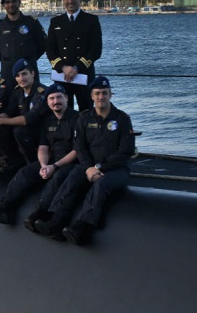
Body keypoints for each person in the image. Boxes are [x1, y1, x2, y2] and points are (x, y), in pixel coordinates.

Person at [33, 76, 135, 245]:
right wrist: (89, 168)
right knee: (72, 177)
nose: (101, 97)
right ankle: (56, 220)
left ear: (111, 95)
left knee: (101, 185)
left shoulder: (122, 119)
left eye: (104, 93)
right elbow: (80, 148)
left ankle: (83, 227)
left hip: (116, 169)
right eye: (97, 93)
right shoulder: (84, 118)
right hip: (90, 166)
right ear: (92, 96)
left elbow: (126, 151)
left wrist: (100, 167)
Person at [0, 83, 78, 227]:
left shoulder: (77, 119)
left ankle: (39, 214)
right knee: (24, 173)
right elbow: (43, 148)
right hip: (52, 160)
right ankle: (5, 209)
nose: (56, 101)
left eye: (59, 97)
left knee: (57, 178)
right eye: (52, 98)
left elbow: (77, 150)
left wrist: (54, 166)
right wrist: (44, 165)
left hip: (70, 162)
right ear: (48, 102)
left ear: (66, 99)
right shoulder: (48, 120)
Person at [0, 59, 49, 176]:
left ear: (33, 73)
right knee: (0, 129)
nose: (21, 78)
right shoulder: (18, 91)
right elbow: (9, 111)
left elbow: (29, 119)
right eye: (18, 76)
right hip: (25, 129)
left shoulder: (42, 92)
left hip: (42, 131)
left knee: (19, 131)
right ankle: (15, 162)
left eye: (24, 74)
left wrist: (1, 121)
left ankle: (33, 164)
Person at [47, 0, 103, 112]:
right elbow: (50, 49)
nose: (70, 1)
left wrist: (76, 68)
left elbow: (96, 50)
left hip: (83, 74)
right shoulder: (56, 22)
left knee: (86, 111)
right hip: (62, 76)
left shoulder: (91, 20)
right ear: (63, 1)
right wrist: (63, 67)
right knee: (64, 113)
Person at [0, 0, 45, 85]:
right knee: (8, 99)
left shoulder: (31, 22)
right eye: (7, 2)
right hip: (8, 72)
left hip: (28, 70)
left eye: (13, 1)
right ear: (3, 5)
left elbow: (42, 45)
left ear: (19, 2)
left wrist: (29, 58)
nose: (11, 4)